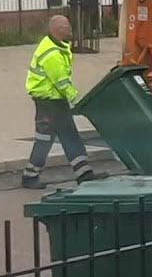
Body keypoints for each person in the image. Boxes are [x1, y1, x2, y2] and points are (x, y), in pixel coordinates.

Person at [23, 15, 97, 189]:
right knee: (64, 136)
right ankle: (83, 174)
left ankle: (30, 175)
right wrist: (76, 99)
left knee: (50, 137)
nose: (69, 28)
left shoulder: (55, 46)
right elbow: (61, 82)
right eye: (66, 26)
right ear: (58, 29)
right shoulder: (52, 54)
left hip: (48, 101)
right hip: (51, 102)